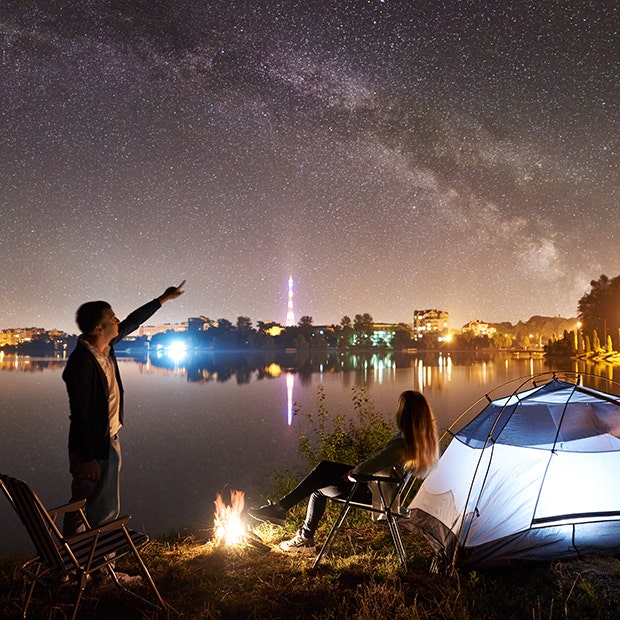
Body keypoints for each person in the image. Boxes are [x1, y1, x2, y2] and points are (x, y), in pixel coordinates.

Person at [62, 281, 186, 537]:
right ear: (99, 328)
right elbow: (80, 416)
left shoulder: (104, 347)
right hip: (97, 446)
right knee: (104, 510)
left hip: (102, 442)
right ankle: (103, 570)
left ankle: (69, 564)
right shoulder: (81, 364)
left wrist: (163, 299)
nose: (118, 321)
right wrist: (87, 457)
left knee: (80, 505)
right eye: (111, 318)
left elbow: (133, 320)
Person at [248, 390, 438, 552]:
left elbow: (371, 465)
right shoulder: (419, 440)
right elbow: (376, 464)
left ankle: (293, 524)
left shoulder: (402, 445)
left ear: (404, 414)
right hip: (378, 487)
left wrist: (352, 473)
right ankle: (284, 512)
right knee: (323, 471)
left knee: (319, 484)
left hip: (373, 493)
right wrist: (355, 471)